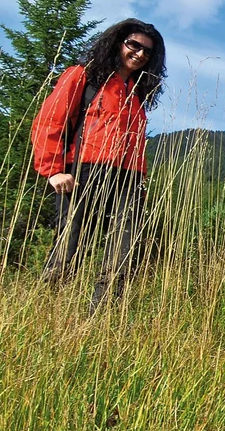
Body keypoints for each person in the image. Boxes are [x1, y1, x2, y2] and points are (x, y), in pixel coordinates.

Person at [31, 18, 166, 315]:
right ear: (117, 42)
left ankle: (101, 319)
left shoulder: (136, 92)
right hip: (83, 173)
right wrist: (53, 170)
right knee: (69, 249)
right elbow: (49, 121)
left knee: (123, 252)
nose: (140, 54)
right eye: (134, 45)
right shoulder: (82, 76)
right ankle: (43, 314)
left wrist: (140, 181)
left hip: (128, 180)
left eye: (148, 51)